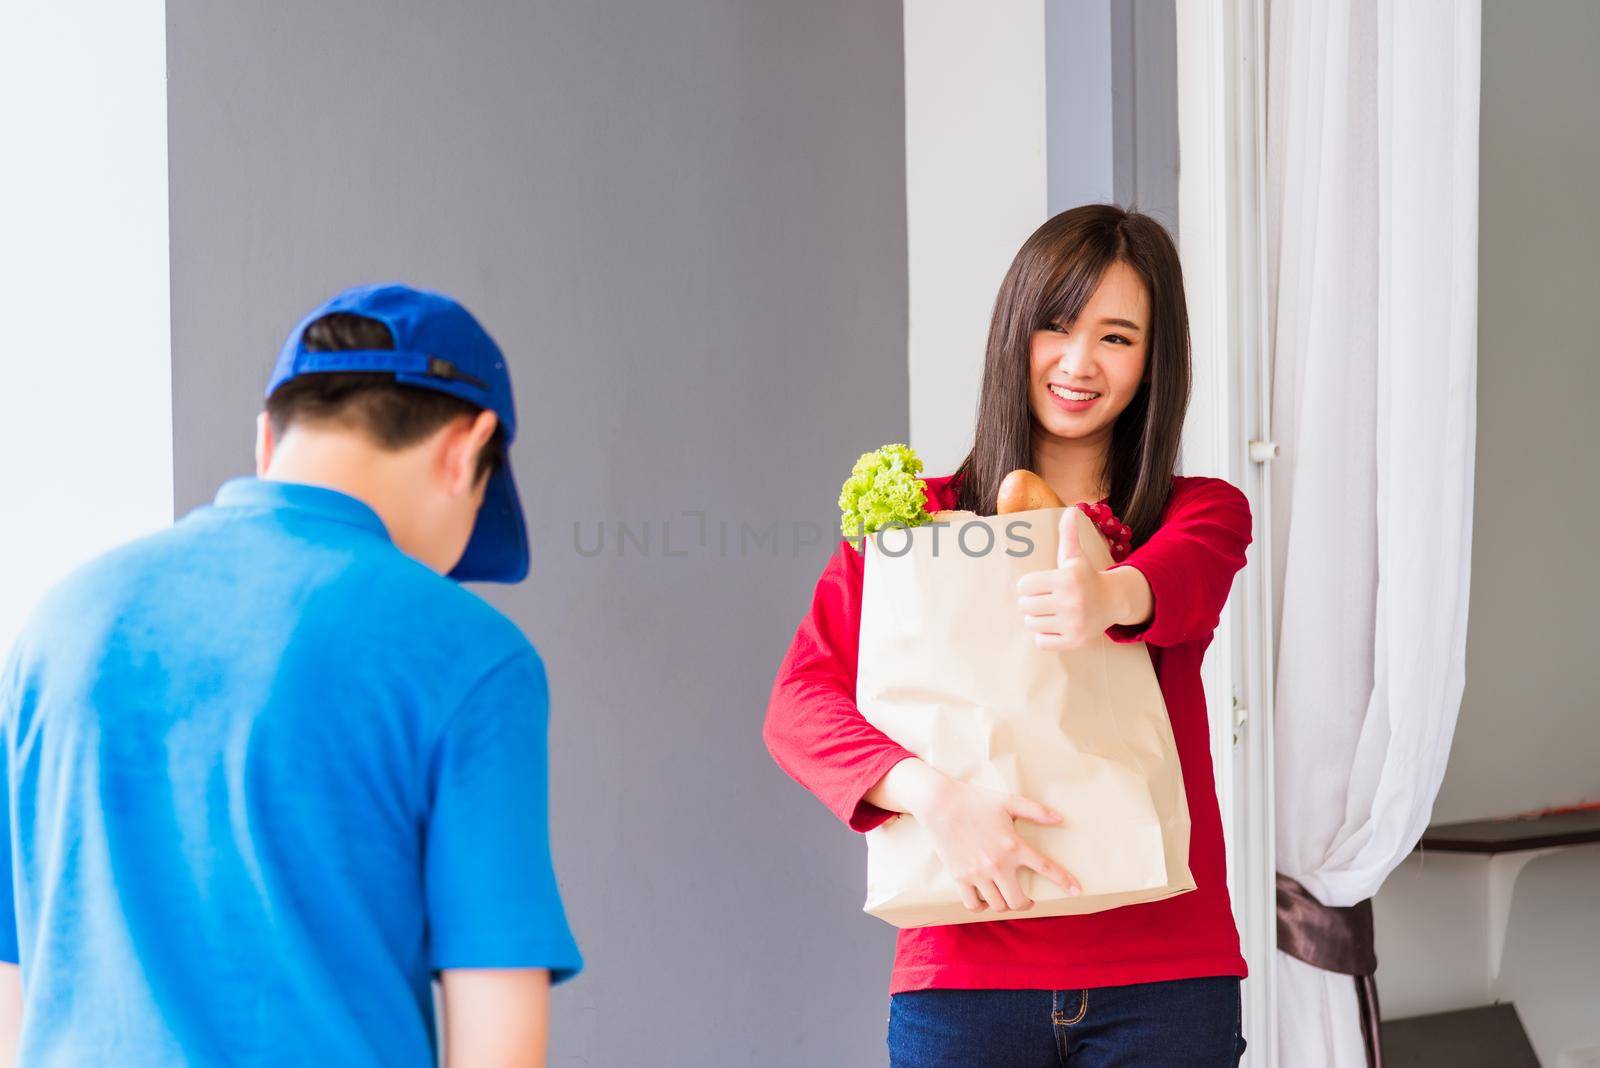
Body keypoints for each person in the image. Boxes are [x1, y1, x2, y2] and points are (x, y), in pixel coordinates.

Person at [0, 284, 582, 1066]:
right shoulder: (470, 653)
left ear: (266, 439)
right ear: (466, 449)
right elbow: (497, 1034)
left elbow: (14, 981)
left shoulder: (61, 624)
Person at [764, 205, 1253, 1066]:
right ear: (1014, 335)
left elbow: (1174, 581)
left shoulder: (1197, 511)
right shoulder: (914, 525)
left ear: (1153, 361)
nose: (1077, 362)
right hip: (962, 971)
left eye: (1117, 337)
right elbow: (800, 703)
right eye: (1056, 325)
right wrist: (932, 797)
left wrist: (1107, 594)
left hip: (1166, 974)